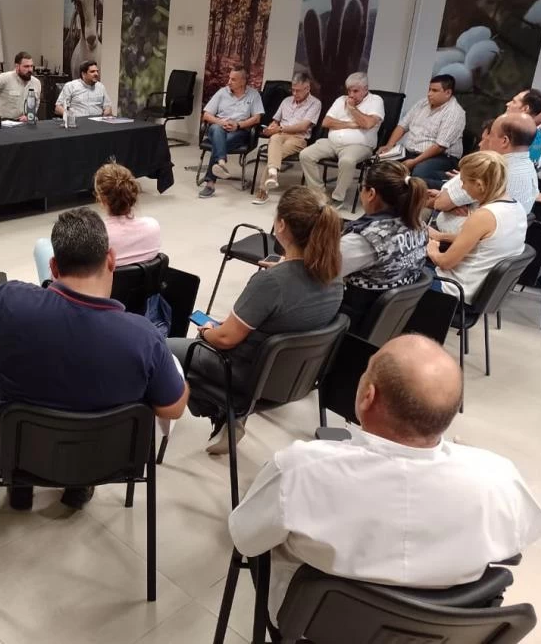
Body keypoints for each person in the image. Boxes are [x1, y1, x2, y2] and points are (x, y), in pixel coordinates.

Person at [228, 334, 541, 628]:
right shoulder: (498, 478)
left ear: (367, 396)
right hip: (432, 634)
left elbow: (246, 539)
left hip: (318, 627)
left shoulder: (301, 471)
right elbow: (517, 543)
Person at [0, 207, 187, 510]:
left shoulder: (9, 301)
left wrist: (0, 346)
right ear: (110, 260)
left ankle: (20, 486)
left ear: (53, 266)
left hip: (19, 452)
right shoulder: (144, 337)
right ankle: (79, 486)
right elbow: (173, 408)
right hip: (105, 458)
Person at [167, 186, 344, 453]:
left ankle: (218, 412)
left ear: (281, 225)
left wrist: (206, 331)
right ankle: (227, 415)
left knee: (162, 348)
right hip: (293, 379)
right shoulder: (335, 276)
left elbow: (225, 339)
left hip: (244, 375)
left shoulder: (270, 283)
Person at [32, 162, 162, 282]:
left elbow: (58, 278)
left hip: (96, 301)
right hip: (142, 303)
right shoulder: (153, 227)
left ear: (101, 199)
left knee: (42, 245)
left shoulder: (93, 237)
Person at [339, 161, 429, 333]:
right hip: (389, 323)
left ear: (371, 193)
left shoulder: (366, 239)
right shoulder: (419, 224)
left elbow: (319, 273)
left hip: (354, 323)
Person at [428, 150, 528, 301]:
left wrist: (432, 248)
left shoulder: (483, 216)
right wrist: (441, 236)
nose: (462, 187)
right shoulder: (516, 208)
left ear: (479, 185)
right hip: (479, 291)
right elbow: (485, 242)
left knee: (395, 274)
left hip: (452, 292)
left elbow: (445, 262)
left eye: (464, 182)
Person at [433, 113, 538, 235]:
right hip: (505, 242)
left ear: (504, 141)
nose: (485, 140)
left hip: (466, 241)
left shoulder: (489, 167)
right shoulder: (530, 168)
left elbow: (441, 203)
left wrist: (451, 205)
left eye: (491, 134)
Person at [299, 72, 385, 209]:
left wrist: (352, 109)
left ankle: (338, 197)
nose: (351, 95)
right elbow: (326, 122)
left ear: (366, 89)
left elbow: (368, 124)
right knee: (305, 155)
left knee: (347, 161)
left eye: (355, 91)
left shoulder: (376, 101)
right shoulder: (341, 100)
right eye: (349, 90)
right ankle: (320, 193)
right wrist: (352, 124)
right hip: (332, 142)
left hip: (359, 145)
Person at [376, 74, 466, 189]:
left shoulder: (454, 113)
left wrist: (413, 162)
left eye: (434, 90)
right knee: (382, 163)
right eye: (429, 89)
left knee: (418, 174)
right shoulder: (422, 104)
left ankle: (449, 182)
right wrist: (389, 145)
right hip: (410, 151)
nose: (429, 94)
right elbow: (402, 126)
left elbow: (440, 146)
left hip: (441, 156)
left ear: (448, 93)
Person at [253, 72, 321, 205]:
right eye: (293, 90)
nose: (295, 93)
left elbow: (303, 126)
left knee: (274, 152)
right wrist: (271, 128)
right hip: (280, 134)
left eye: (298, 91)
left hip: (299, 138)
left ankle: (263, 190)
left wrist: (279, 129)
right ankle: (272, 174)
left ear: (307, 88)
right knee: (274, 139)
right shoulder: (286, 101)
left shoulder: (315, 103)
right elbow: (276, 121)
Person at [198, 66, 264, 199]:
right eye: (229, 78)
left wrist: (238, 125)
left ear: (243, 81)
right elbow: (206, 115)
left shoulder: (254, 95)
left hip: (239, 131)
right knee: (217, 130)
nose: (229, 82)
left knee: (220, 143)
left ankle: (211, 182)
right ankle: (221, 162)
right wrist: (220, 122)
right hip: (218, 127)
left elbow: (257, 118)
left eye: (233, 79)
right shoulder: (222, 93)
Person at [0, 51, 43, 121]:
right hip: (4, 122)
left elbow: (36, 103)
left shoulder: (36, 83)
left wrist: (30, 115)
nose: (30, 70)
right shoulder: (5, 78)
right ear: (17, 66)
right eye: (26, 66)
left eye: (31, 66)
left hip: (25, 121)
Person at [507, 87, 541, 164]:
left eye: (514, 102)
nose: (508, 104)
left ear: (525, 109)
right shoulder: (538, 136)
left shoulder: (516, 133)